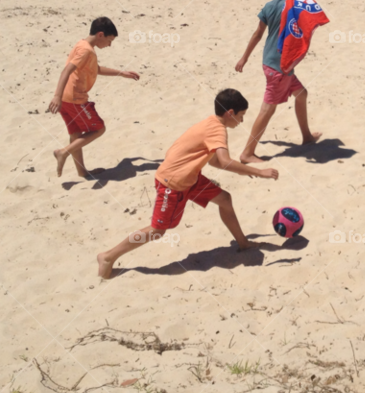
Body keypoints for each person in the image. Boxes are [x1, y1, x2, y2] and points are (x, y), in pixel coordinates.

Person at [96, 89, 278, 279]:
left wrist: (243, 170)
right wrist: (259, 172)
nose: (242, 121)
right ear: (230, 113)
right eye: (241, 116)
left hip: (190, 177)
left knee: (224, 199)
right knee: (157, 230)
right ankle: (108, 256)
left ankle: (243, 243)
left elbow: (215, 162)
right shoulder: (217, 130)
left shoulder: (211, 123)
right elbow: (225, 161)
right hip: (173, 183)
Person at [234, 0, 322, 163]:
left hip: (271, 62)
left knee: (302, 94)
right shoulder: (293, 8)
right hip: (280, 68)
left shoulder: (270, 5)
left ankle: (307, 137)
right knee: (268, 109)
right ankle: (247, 153)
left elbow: (258, 34)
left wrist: (244, 58)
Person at [47, 17, 140, 178]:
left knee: (75, 134)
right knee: (98, 129)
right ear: (100, 35)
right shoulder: (87, 51)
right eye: (109, 41)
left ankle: (82, 172)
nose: (109, 45)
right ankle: (63, 152)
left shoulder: (82, 44)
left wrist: (121, 73)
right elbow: (66, 70)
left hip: (66, 99)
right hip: (75, 98)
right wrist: (56, 95)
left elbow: (95, 69)